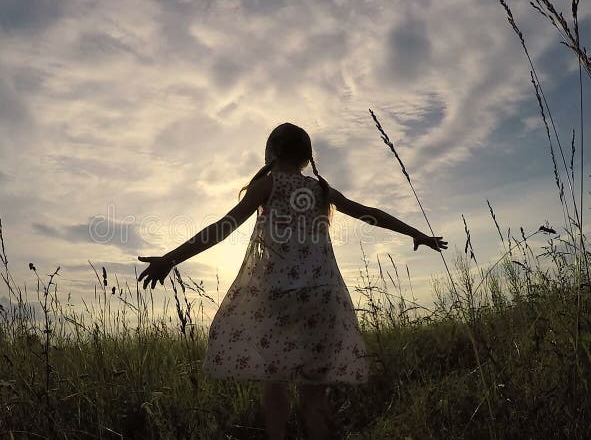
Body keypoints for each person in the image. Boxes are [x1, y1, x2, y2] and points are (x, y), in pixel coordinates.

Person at [137, 122, 447, 440]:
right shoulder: (320, 190)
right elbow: (370, 212)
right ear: (307, 157)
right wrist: (416, 233)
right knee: (314, 398)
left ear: (271, 152)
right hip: (324, 299)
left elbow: (222, 227)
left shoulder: (268, 186)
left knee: (276, 380)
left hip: (280, 297)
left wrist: (169, 259)